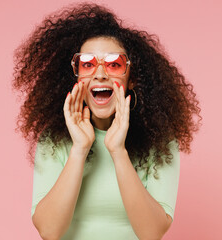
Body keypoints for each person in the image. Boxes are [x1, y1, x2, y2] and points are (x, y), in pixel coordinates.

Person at [12, 3, 201, 240]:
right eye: (87, 64)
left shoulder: (160, 143)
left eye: (114, 64)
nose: (100, 74)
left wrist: (118, 151)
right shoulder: (54, 140)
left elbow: (152, 233)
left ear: (132, 79)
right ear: (76, 76)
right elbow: (49, 231)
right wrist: (80, 149)